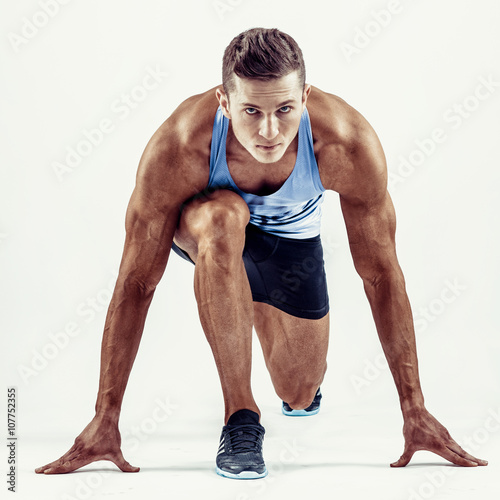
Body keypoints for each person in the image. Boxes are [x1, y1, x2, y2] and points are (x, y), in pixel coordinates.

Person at [35, 27, 487, 479]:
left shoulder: (347, 143)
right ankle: (240, 420)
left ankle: (254, 311)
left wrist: (414, 408)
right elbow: (136, 282)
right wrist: (105, 417)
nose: (269, 131)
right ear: (224, 102)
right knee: (223, 221)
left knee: (300, 391)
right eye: (251, 110)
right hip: (211, 231)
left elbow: (381, 276)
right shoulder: (179, 146)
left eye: (285, 109)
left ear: (305, 98)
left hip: (291, 245)